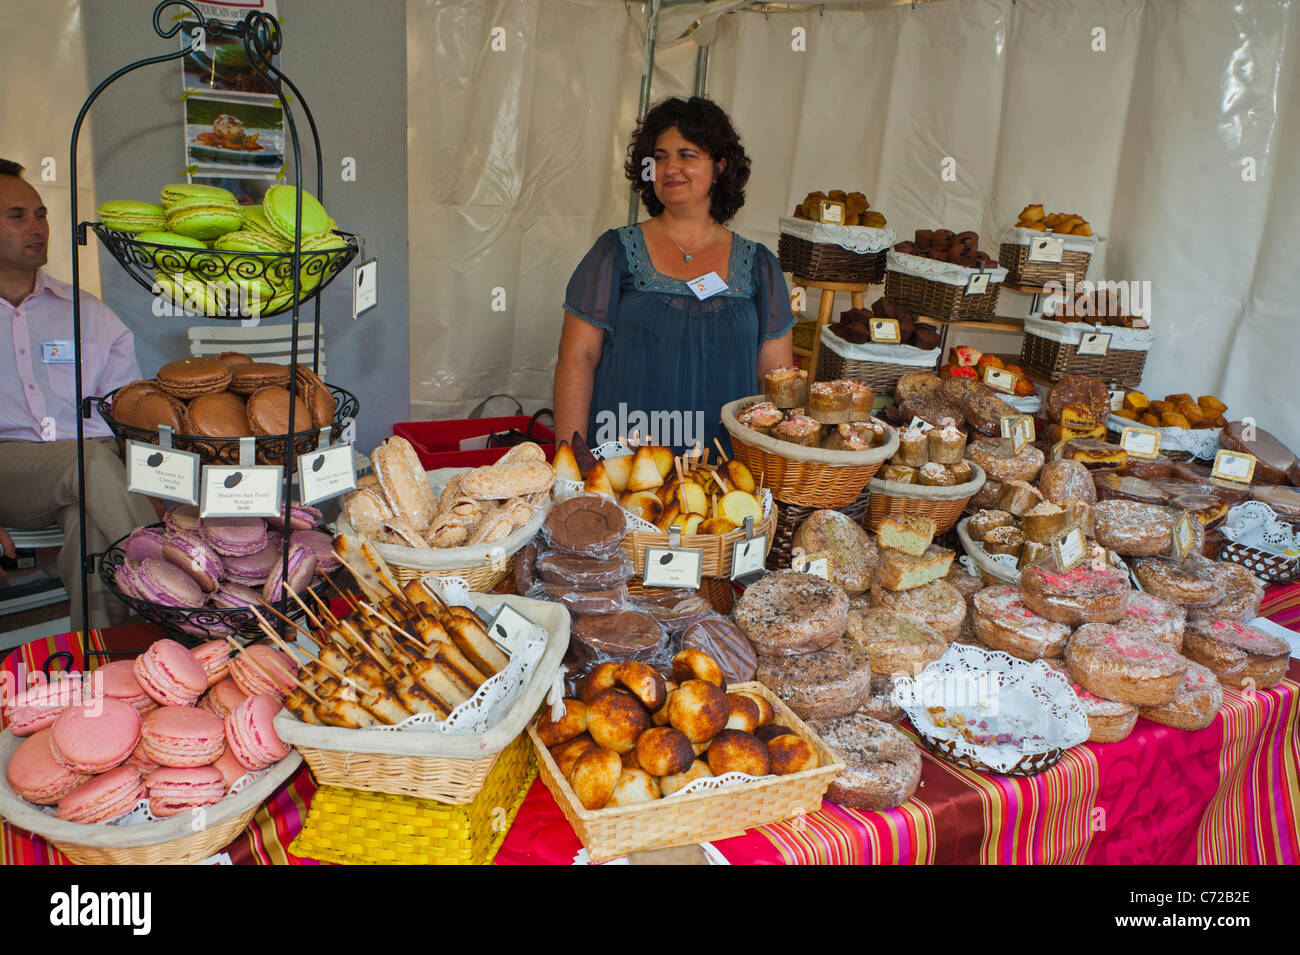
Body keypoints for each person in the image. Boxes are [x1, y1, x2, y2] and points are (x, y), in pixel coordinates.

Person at [554, 97, 794, 455]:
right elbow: (577, 359)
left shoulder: (759, 264)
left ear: (720, 166)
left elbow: (776, 383)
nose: (670, 168)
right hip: (623, 463)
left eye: (687, 155)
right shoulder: (614, 251)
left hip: (727, 474)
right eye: (660, 157)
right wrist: (569, 461)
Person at [0, 159, 158, 628]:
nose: (37, 227)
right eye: (17, 215)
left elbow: (129, 408)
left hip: (97, 466)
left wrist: (158, 479)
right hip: (13, 468)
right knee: (89, 465)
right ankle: (173, 579)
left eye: (41, 214)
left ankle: (111, 667)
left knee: (88, 526)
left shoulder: (87, 312)